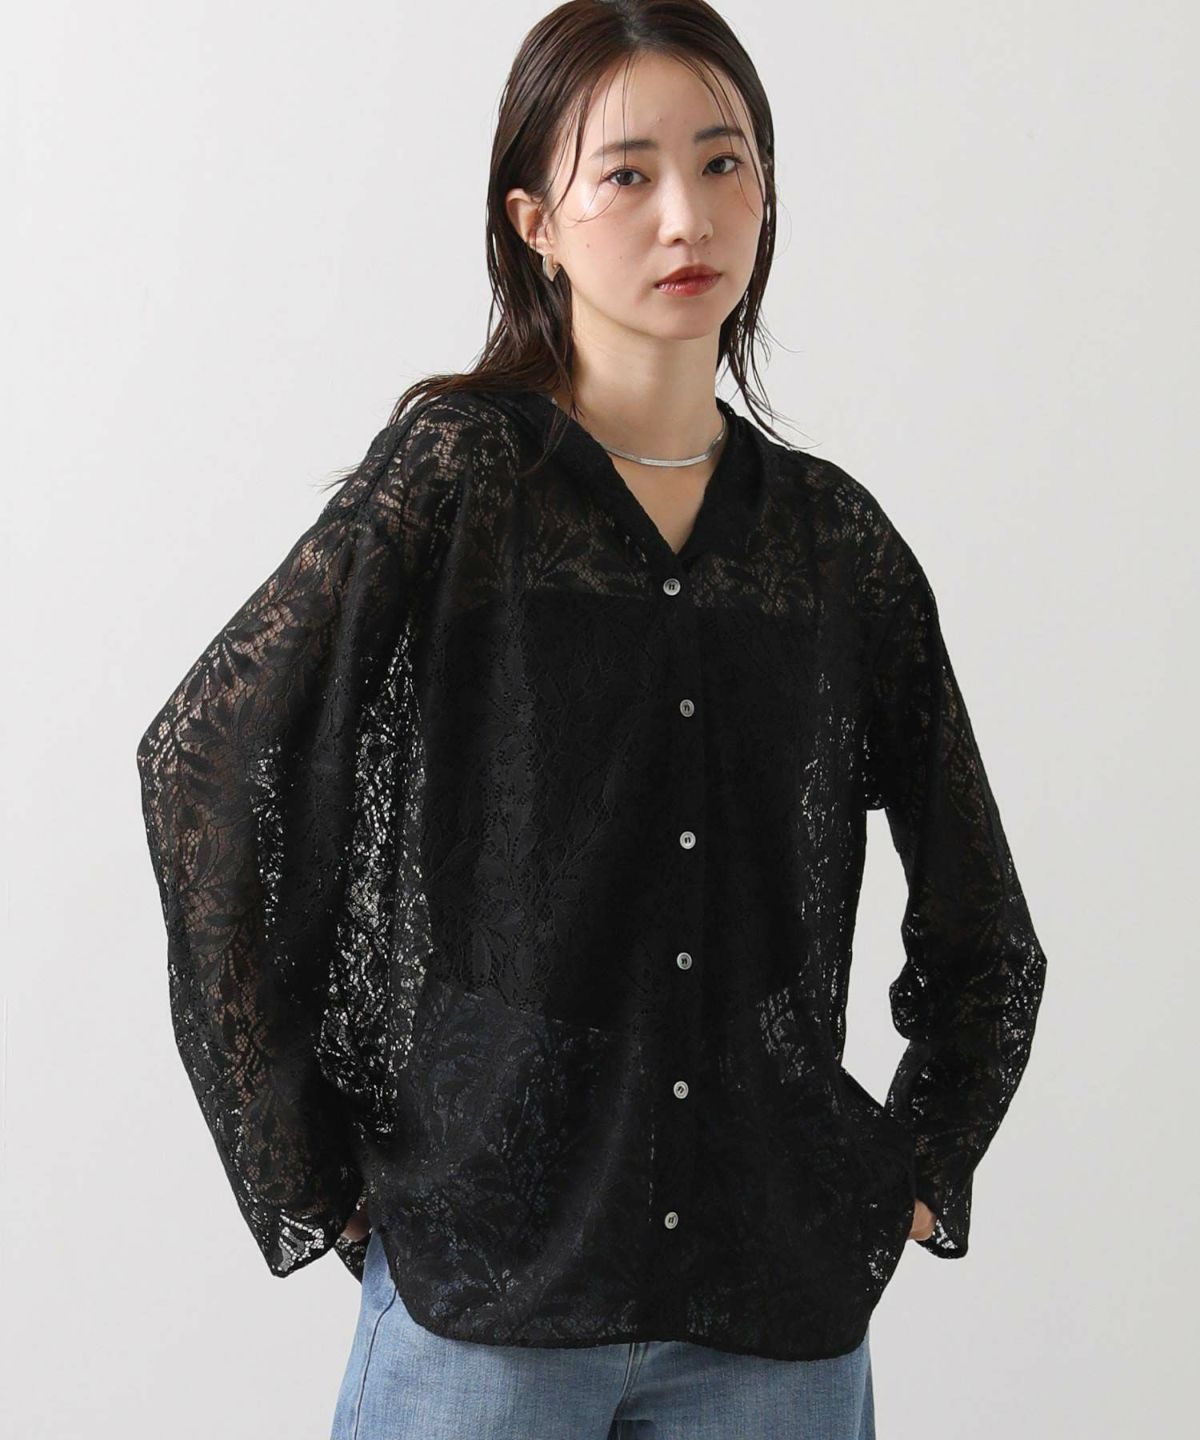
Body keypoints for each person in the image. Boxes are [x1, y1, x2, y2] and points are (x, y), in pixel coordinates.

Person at [135, 4, 1047, 1438]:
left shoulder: (831, 544)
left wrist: (925, 1156)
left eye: (724, 162)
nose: (688, 214)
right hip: (487, 1306)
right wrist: (309, 1164)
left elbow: (981, 918)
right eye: (626, 173)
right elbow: (207, 763)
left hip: (773, 1317)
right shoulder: (458, 484)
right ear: (535, 225)